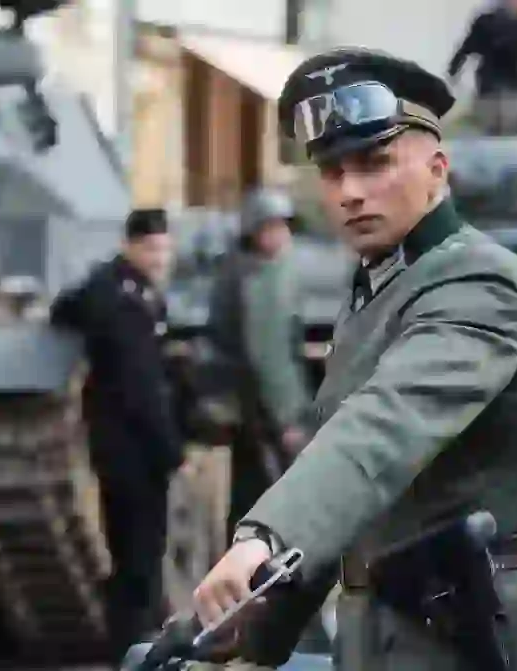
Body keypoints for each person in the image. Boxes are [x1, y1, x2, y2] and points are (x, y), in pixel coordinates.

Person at [190, 48, 517, 670]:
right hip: (388, 630)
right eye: (332, 171)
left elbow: (382, 427)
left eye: (375, 163)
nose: (351, 192)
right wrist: (250, 633)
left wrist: (265, 536)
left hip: (475, 639)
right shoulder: (378, 289)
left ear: (438, 167)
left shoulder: (480, 284)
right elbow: (347, 492)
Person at [204, 188, 338, 664]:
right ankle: (289, 624)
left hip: (247, 419)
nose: (280, 235)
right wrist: (290, 421)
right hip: (267, 419)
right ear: (255, 233)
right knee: (288, 521)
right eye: (271, 227)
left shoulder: (247, 271)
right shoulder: (260, 280)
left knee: (249, 518)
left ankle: (240, 618)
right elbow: (271, 359)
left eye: (283, 226)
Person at [50, 208, 184, 663]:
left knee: (142, 551)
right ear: (131, 246)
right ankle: (132, 647)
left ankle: (139, 639)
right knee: (136, 554)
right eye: (151, 248)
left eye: (165, 248)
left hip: (134, 445)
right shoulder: (116, 295)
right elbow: (139, 385)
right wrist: (170, 448)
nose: (160, 257)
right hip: (130, 447)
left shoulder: (137, 292)